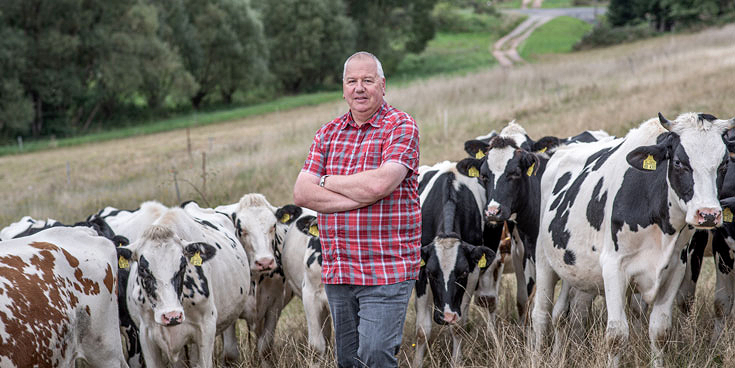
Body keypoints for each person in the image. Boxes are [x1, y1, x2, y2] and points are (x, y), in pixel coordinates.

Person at [293, 51, 421, 367]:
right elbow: (302, 193)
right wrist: (360, 196)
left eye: (367, 80)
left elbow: (380, 185)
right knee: (349, 361)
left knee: (375, 355)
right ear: (343, 88)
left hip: (386, 269)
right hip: (339, 270)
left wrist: (326, 181)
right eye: (352, 81)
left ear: (383, 85)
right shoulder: (327, 133)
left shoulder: (401, 126)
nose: (359, 88)